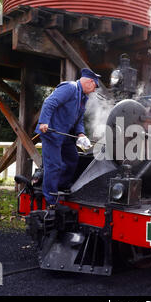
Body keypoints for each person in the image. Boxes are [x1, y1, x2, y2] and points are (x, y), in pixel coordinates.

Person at [35, 68, 101, 209]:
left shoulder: (83, 97)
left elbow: (78, 120)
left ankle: (62, 187)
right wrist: (43, 122)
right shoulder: (70, 88)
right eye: (95, 86)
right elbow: (49, 102)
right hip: (52, 133)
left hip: (64, 135)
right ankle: (51, 200)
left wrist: (81, 134)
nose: (94, 90)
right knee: (54, 165)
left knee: (73, 159)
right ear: (90, 82)